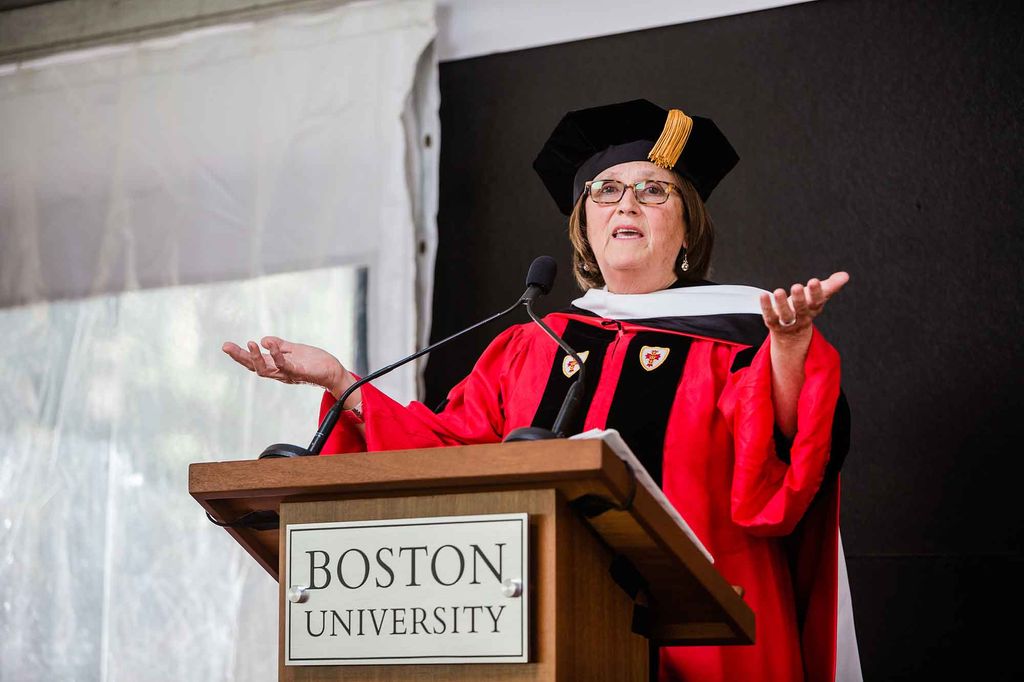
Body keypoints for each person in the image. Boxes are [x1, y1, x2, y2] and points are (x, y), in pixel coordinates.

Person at [223, 99, 856, 681]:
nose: (626, 204)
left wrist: (789, 352)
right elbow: (452, 449)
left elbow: (776, 457)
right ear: (585, 229)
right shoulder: (537, 342)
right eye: (605, 191)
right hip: (543, 640)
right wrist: (341, 383)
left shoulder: (740, 338)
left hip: (705, 647)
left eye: (652, 190)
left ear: (688, 229)